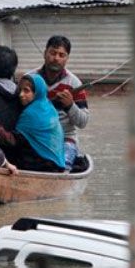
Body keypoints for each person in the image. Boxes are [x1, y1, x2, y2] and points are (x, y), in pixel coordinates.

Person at [28, 35, 89, 169]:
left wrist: (70, 105)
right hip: (35, 137)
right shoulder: (30, 79)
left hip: (65, 139)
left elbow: (83, 122)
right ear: (45, 53)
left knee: (61, 168)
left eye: (62, 55)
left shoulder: (74, 83)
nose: (56, 58)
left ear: (67, 58)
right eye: (53, 53)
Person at [0, 74, 66, 172]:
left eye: (26, 91)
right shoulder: (47, 107)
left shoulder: (32, 113)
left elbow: (12, 140)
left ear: (37, 93)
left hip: (45, 165)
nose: (21, 94)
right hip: (57, 163)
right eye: (20, 90)